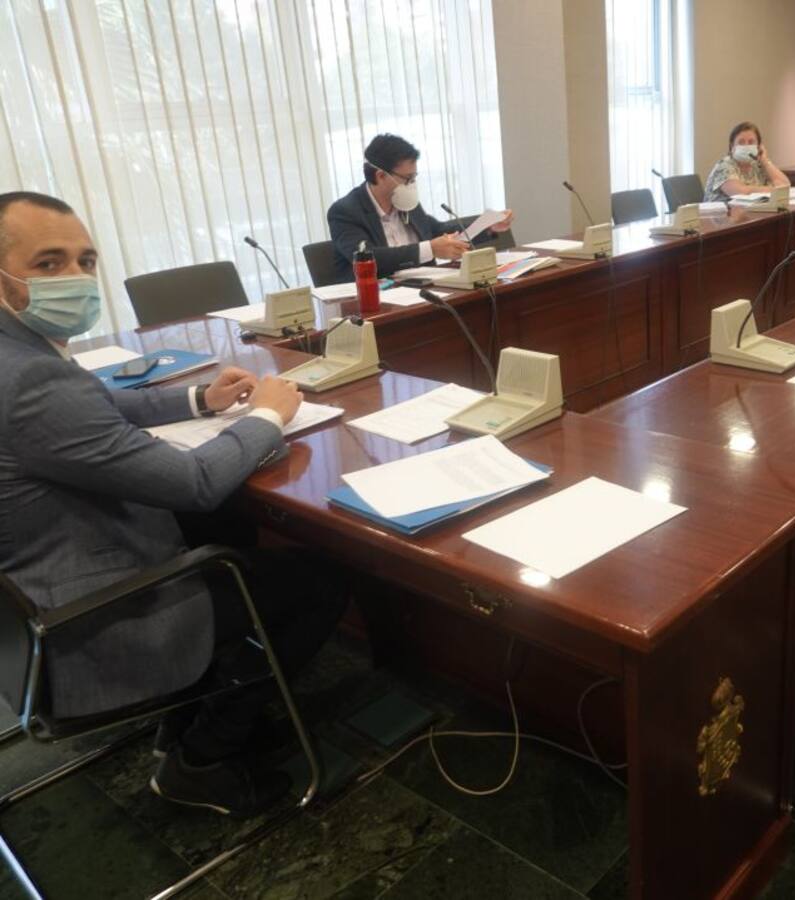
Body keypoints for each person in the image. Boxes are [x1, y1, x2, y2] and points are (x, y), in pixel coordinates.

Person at [0, 191, 345, 818]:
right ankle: (202, 760)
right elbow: (194, 481)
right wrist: (269, 415)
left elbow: (91, 403)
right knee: (318, 580)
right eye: (48, 263)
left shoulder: (18, 354)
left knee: (228, 524)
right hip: (87, 620)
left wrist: (199, 401)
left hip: (24, 603)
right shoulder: (27, 379)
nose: (75, 277)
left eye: (85, 260)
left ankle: (188, 710)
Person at [327, 133, 513, 283]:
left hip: (423, 291)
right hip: (379, 300)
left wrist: (487, 225)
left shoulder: (405, 202)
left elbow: (439, 231)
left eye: (414, 177)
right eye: (408, 179)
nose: (412, 185)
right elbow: (369, 257)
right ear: (381, 176)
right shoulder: (345, 212)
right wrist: (430, 249)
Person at [703, 121, 791, 202]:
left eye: (751, 142)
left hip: (752, 211)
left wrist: (765, 162)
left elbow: (785, 186)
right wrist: (773, 190)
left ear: (759, 146)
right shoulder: (724, 165)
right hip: (720, 213)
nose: (746, 146)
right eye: (741, 142)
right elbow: (740, 192)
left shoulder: (758, 164)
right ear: (732, 146)